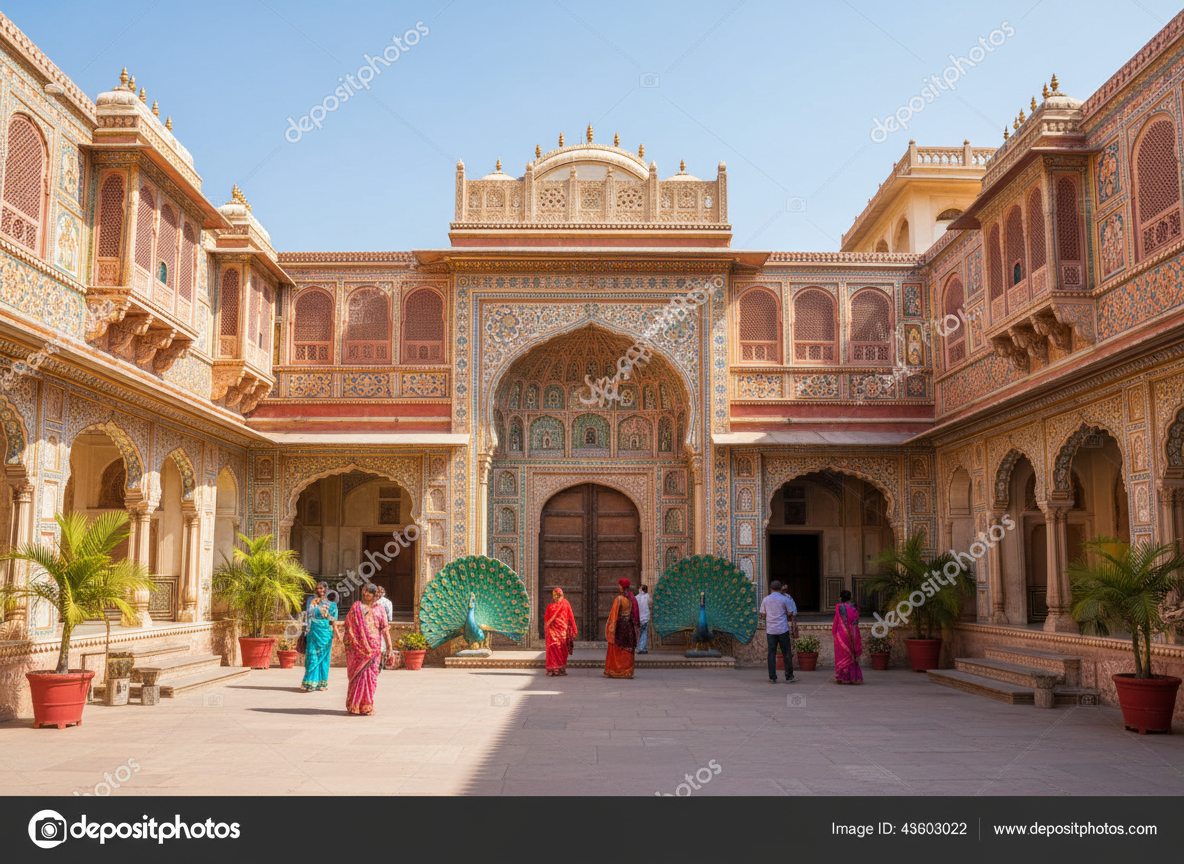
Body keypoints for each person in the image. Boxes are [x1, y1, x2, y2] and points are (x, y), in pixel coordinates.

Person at [343, 582, 392, 715]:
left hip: (374, 650)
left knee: (371, 678)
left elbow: (385, 629)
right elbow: (348, 626)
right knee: (357, 676)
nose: (365, 594)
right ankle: (354, 705)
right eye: (364, 590)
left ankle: (367, 705)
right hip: (357, 650)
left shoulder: (380, 609)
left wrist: (389, 648)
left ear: (374, 595)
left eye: (369, 592)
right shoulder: (356, 607)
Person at [301, 581, 337, 692]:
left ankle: (322, 683)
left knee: (324, 658)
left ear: (326, 589)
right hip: (313, 632)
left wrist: (326, 614)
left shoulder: (332, 603)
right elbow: (307, 615)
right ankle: (310, 683)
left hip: (326, 633)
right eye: (318, 588)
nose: (320, 590)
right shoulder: (311, 600)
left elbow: (333, 619)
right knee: (312, 656)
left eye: (321, 588)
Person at [760, 581, 797, 683]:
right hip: (782, 629)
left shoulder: (765, 599)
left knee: (771, 653)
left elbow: (762, 613)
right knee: (786, 653)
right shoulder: (785, 599)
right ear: (780, 588)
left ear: (771, 588)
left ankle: (772, 677)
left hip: (771, 630)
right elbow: (790, 612)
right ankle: (789, 676)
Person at [604, 578, 638, 679]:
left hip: (620, 626)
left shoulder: (619, 599)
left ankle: (617, 670)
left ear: (622, 586)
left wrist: (611, 628)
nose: (618, 587)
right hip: (629, 627)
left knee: (617, 647)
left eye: (619, 585)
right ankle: (627, 671)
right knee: (627, 648)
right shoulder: (632, 598)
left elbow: (614, 615)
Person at [833, 589, 863, 685]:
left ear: (841, 598)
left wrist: (834, 632)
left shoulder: (839, 607)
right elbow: (856, 621)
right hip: (852, 634)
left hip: (841, 634)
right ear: (850, 597)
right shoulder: (854, 607)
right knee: (851, 654)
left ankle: (841, 677)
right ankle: (852, 677)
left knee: (842, 655)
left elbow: (836, 620)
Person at [544, 587, 577, 676]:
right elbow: (547, 620)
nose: (554, 597)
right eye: (553, 595)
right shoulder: (550, 606)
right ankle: (552, 669)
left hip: (562, 632)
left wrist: (571, 629)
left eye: (556, 595)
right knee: (552, 649)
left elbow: (570, 617)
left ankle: (560, 669)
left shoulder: (565, 603)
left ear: (560, 595)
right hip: (552, 632)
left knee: (561, 650)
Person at [636, 584, 651, 654]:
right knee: (644, 633)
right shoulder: (647, 597)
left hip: (639, 618)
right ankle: (642, 648)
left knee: (640, 633)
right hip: (646, 618)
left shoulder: (637, 597)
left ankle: (642, 648)